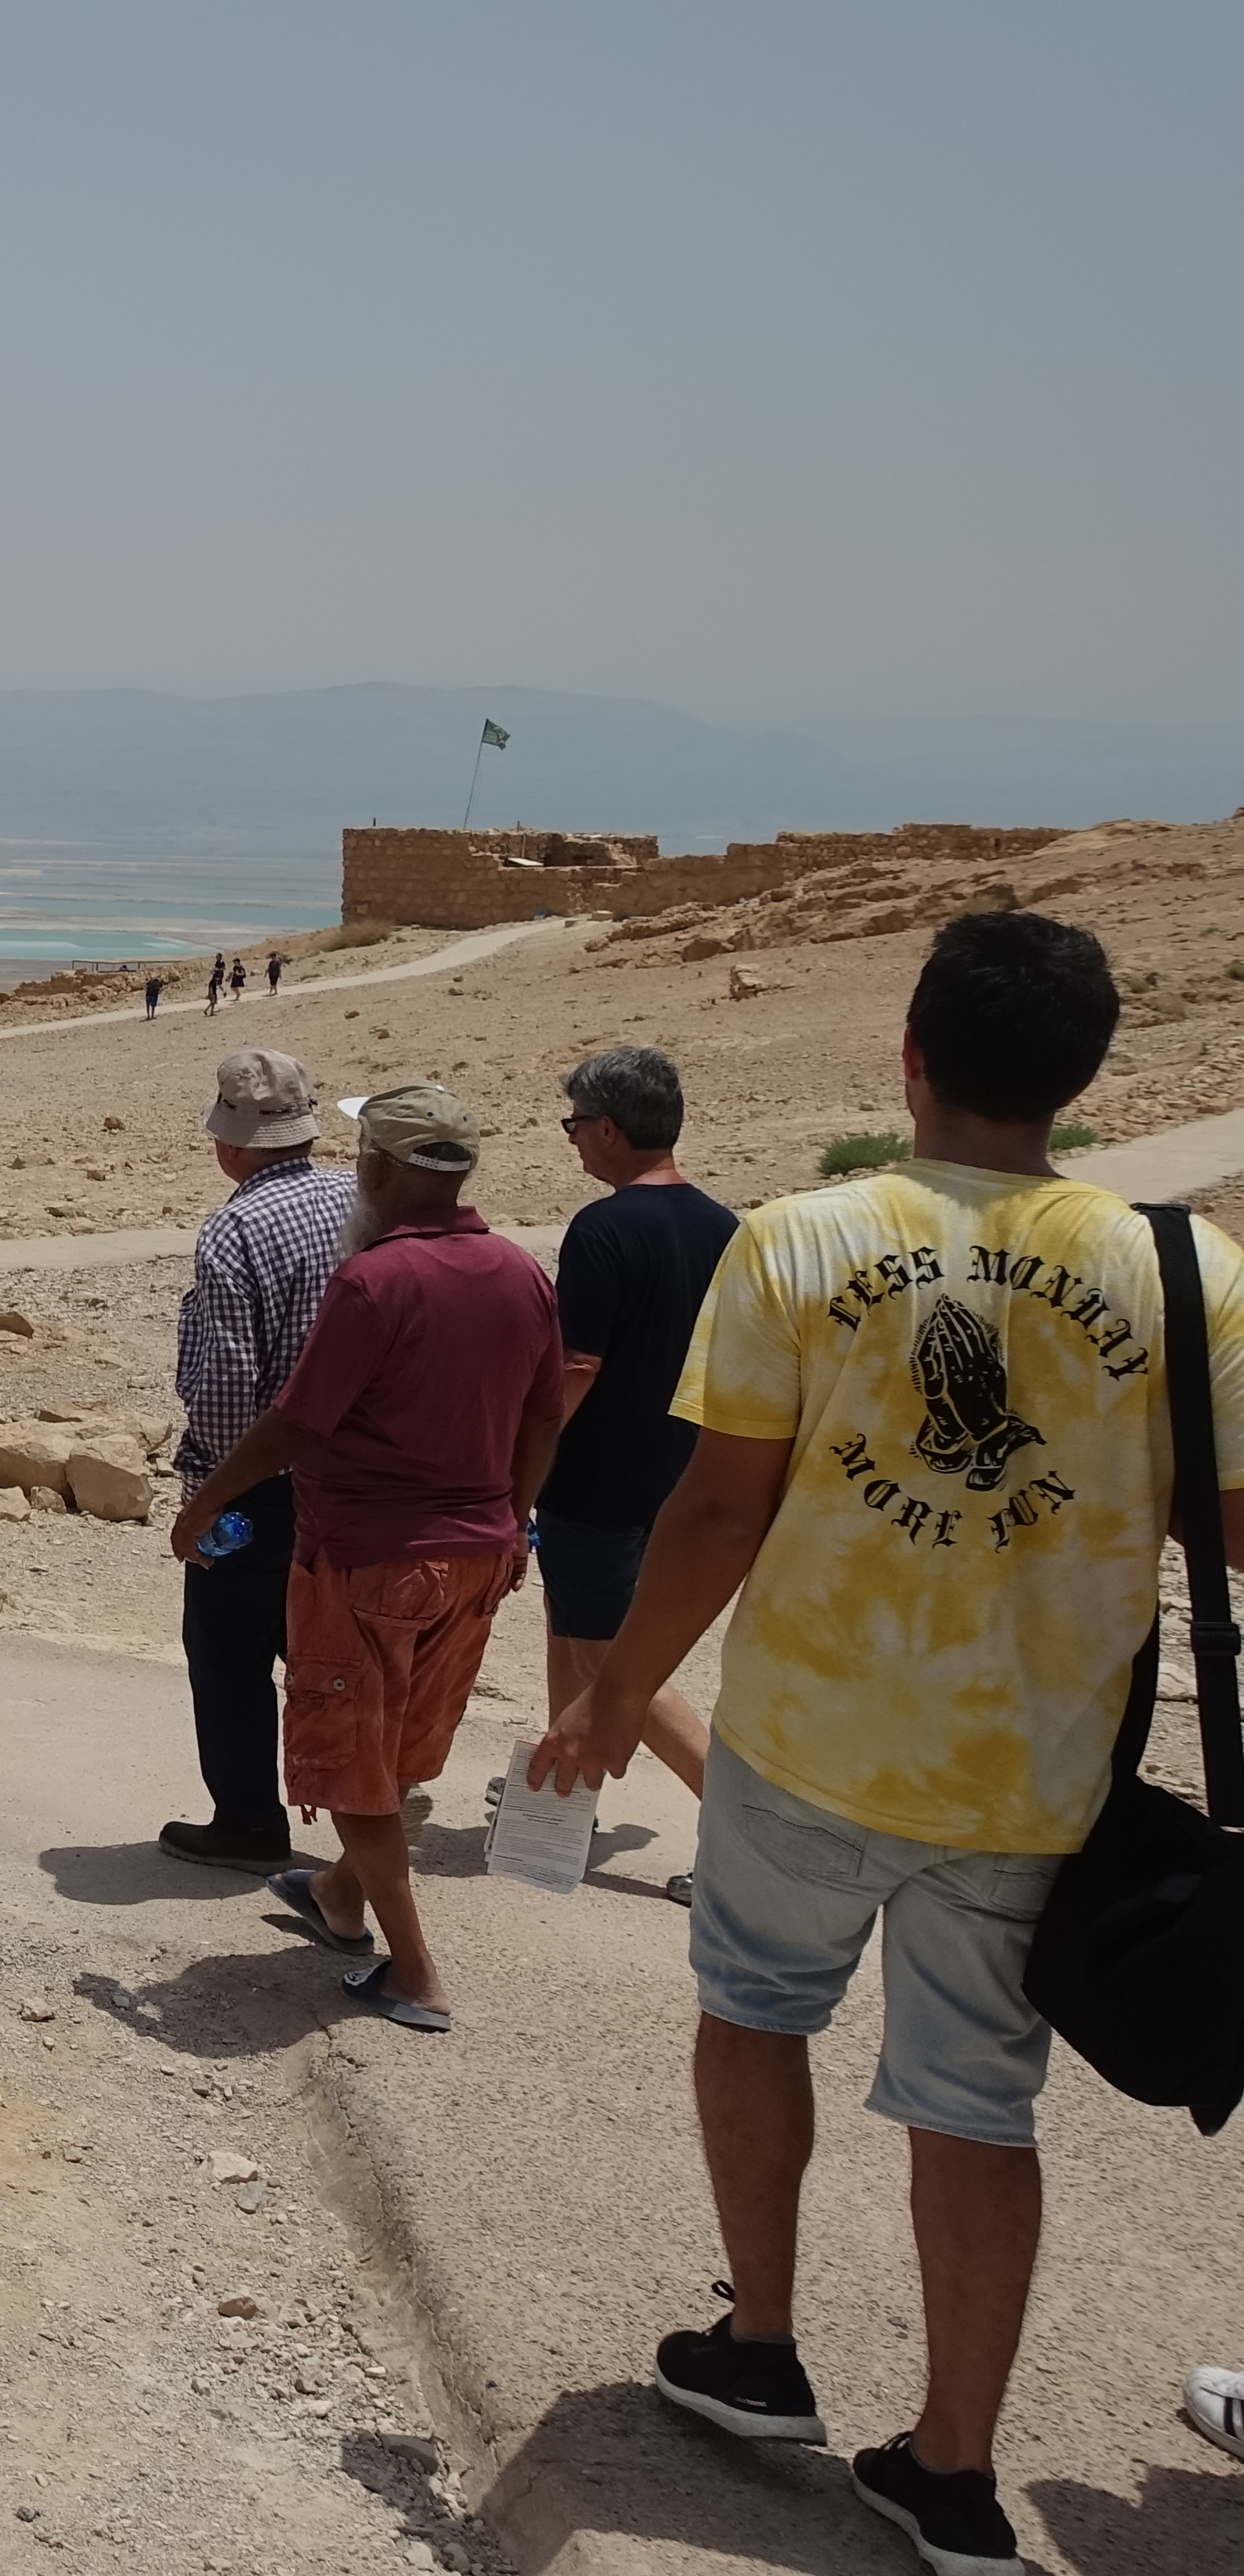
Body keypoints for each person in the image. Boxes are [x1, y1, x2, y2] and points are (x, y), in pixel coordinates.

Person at [529, 911, 1244, 2573]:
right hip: (1034, 1775)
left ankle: (761, 2349)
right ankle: (952, 2469)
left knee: (754, 2015)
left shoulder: (802, 1240)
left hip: (805, 1741)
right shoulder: (1187, 1269)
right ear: (1080, 1075)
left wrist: (619, 1691)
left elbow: (719, 1509)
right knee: (976, 2106)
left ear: (910, 1057)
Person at [172, 1081, 563, 2032]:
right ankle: (341, 1895)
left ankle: (414, 1971)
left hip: (369, 1557)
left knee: (355, 1768)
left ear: (380, 1171)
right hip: (477, 1556)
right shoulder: (519, 1270)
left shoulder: (374, 1281)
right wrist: (512, 1521)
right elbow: (546, 1412)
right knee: (396, 1753)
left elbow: (299, 1421)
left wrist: (206, 1503)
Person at [159, 1046, 361, 1870]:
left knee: (231, 1652)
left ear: (231, 1142)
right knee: (333, 1654)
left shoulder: (237, 1227)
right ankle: (362, 1816)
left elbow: (232, 1384)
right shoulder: (361, 1199)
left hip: (260, 1486)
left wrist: (205, 1493)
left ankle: (248, 1821)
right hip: (353, 1482)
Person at [534, 1047, 731, 1836]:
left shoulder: (604, 1228)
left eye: (575, 1125)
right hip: (677, 1470)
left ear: (609, 1129)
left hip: (597, 1482)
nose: (573, 1140)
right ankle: (558, 1804)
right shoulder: (722, 1224)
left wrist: (523, 1464)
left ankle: (738, 1829)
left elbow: (576, 1367)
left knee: (615, 1665)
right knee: (571, 1629)